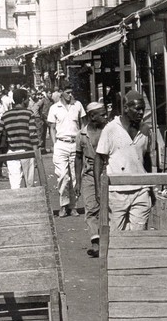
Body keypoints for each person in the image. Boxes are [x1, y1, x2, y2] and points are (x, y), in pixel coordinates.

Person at [96, 90, 152, 232]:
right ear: (126, 108)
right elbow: (99, 159)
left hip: (141, 190)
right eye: (137, 109)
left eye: (143, 109)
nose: (141, 113)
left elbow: (146, 158)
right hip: (116, 192)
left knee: (138, 234)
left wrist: (150, 184)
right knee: (116, 235)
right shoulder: (111, 129)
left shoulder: (145, 130)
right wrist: (98, 189)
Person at [46, 87, 86, 216]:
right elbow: (52, 127)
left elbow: (83, 124)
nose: (70, 94)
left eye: (71, 92)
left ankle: (73, 206)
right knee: (62, 176)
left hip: (75, 143)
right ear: (61, 93)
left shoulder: (77, 105)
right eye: (68, 92)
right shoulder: (54, 108)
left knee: (75, 176)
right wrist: (54, 144)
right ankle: (63, 204)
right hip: (61, 143)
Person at [77, 101, 108, 256]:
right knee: (91, 208)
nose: (106, 116)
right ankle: (95, 243)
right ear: (92, 116)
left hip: (108, 171)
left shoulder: (109, 131)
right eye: (102, 114)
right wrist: (77, 181)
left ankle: (107, 241)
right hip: (89, 174)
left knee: (107, 208)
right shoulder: (82, 135)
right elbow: (77, 157)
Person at [2, 88, 40, 189]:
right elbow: (33, 134)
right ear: (23, 100)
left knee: (14, 184)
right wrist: (36, 153)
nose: (28, 101)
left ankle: (16, 203)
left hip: (11, 151)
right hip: (27, 151)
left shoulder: (5, 115)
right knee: (29, 183)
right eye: (27, 98)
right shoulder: (29, 114)